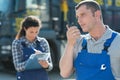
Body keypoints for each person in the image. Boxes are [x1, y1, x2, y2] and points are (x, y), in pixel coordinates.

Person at [59, 0, 120, 80]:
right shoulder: (79, 42)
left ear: (97, 14)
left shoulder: (117, 41)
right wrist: (70, 44)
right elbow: (64, 73)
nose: (79, 21)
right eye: (77, 17)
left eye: (83, 15)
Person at [12, 16, 53, 80]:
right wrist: (32, 60)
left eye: (36, 32)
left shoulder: (43, 42)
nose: (34, 35)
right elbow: (18, 67)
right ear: (25, 29)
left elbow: (50, 66)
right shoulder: (17, 43)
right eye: (31, 32)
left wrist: (46, 65)